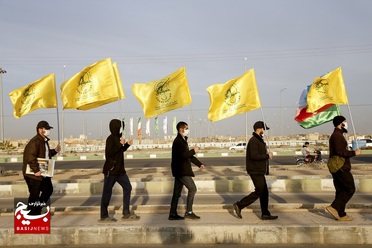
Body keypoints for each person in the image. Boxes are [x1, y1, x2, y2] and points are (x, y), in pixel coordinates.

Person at [233, 121, 278, 220]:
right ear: (259, 129)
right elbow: (254, 156)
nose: (264, 131)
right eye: (263, 129)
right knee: (260, 190)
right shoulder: (254, 141)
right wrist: (267, 155)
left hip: (259, 170)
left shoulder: (259, 140)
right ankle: (239, 205)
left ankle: (265, 213)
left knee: (264, 192)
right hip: (255, 170)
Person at [100, 119, 139, 222]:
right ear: (115, 127)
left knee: (128, 188)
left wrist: (126, 145)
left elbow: (120, 150)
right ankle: (104, 216)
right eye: (120, 126)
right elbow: (109, 153)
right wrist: (120, 144)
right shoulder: (110, 139)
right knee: (107, 193)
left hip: (120, 171)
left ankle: (126, 213)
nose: (121, 128)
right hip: (111, 170)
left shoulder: (118, 138)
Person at [325, 115, 361, 221]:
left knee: (341, 191)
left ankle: (341, 214)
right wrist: (354, 152)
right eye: (345, 121)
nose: (346, 123)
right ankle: (334, 207)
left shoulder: (339, 134)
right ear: (341, 123)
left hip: (338, 167)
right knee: (350, 189)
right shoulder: (337, 135)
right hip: (341, 167)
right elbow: (340, 152)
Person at [169, 121, 205, 220]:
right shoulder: (178, 141)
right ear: (181, 129)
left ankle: (172, 214)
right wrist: (194, 150)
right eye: (186, 128)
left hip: (179, 171)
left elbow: (188, 156)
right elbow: (183, 155)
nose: (187, 130)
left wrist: (199, 164)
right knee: (193, 188)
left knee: (176, 194)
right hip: (181, 171)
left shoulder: (183, 140)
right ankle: (189, 212)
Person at [22, 121, 61, 215]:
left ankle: (36, 210)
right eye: (46, 129)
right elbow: (30, 157)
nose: (48, 131)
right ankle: (32, 214)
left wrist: (55, 151)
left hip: (43, 172)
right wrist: (36, 171)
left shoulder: (44, 141)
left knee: (48, 190)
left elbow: (45, 155)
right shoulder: (35, 141)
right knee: (34, 194)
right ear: (40, 130)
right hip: (33, 174)